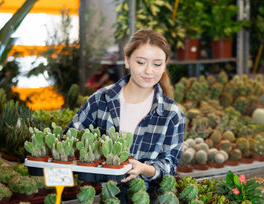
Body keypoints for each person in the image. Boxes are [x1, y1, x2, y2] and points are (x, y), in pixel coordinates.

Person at [66, 29, 186, 186]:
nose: (149, 71)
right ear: (127, 61)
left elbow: (170, 165)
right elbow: (68, 140)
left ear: (165, 65)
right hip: (98, 197)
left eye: (157, 64)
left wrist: (145, 169)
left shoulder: (172, 114)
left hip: (145, 202)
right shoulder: (100, 100)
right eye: (141, 62)